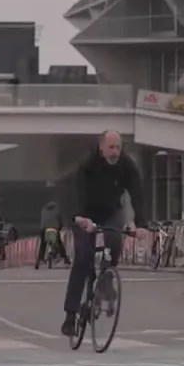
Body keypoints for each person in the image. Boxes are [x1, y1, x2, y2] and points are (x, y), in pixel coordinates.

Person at [60, 130, 147, 335]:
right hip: (85, 213)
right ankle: (70, 315)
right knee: (83, 257)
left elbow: (137, 193)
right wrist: (80, 217)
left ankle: (106, 279)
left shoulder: (126, 166)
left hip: (110, 212)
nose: (115, 152)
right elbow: (77, 192)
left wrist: (141, 223)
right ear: (101, 148)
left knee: (114, 240)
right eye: (111, 147)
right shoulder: (88, 165)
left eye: (118, 147)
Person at [36, 200, 67, 268]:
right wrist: (60, 227)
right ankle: (65, 258)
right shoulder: (57, 211)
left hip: (44, 230)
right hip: (54, 229)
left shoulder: (43, 210)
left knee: (43, 244)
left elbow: (43, 221)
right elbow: (60, 221)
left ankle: (40, 258)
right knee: (59, 243)